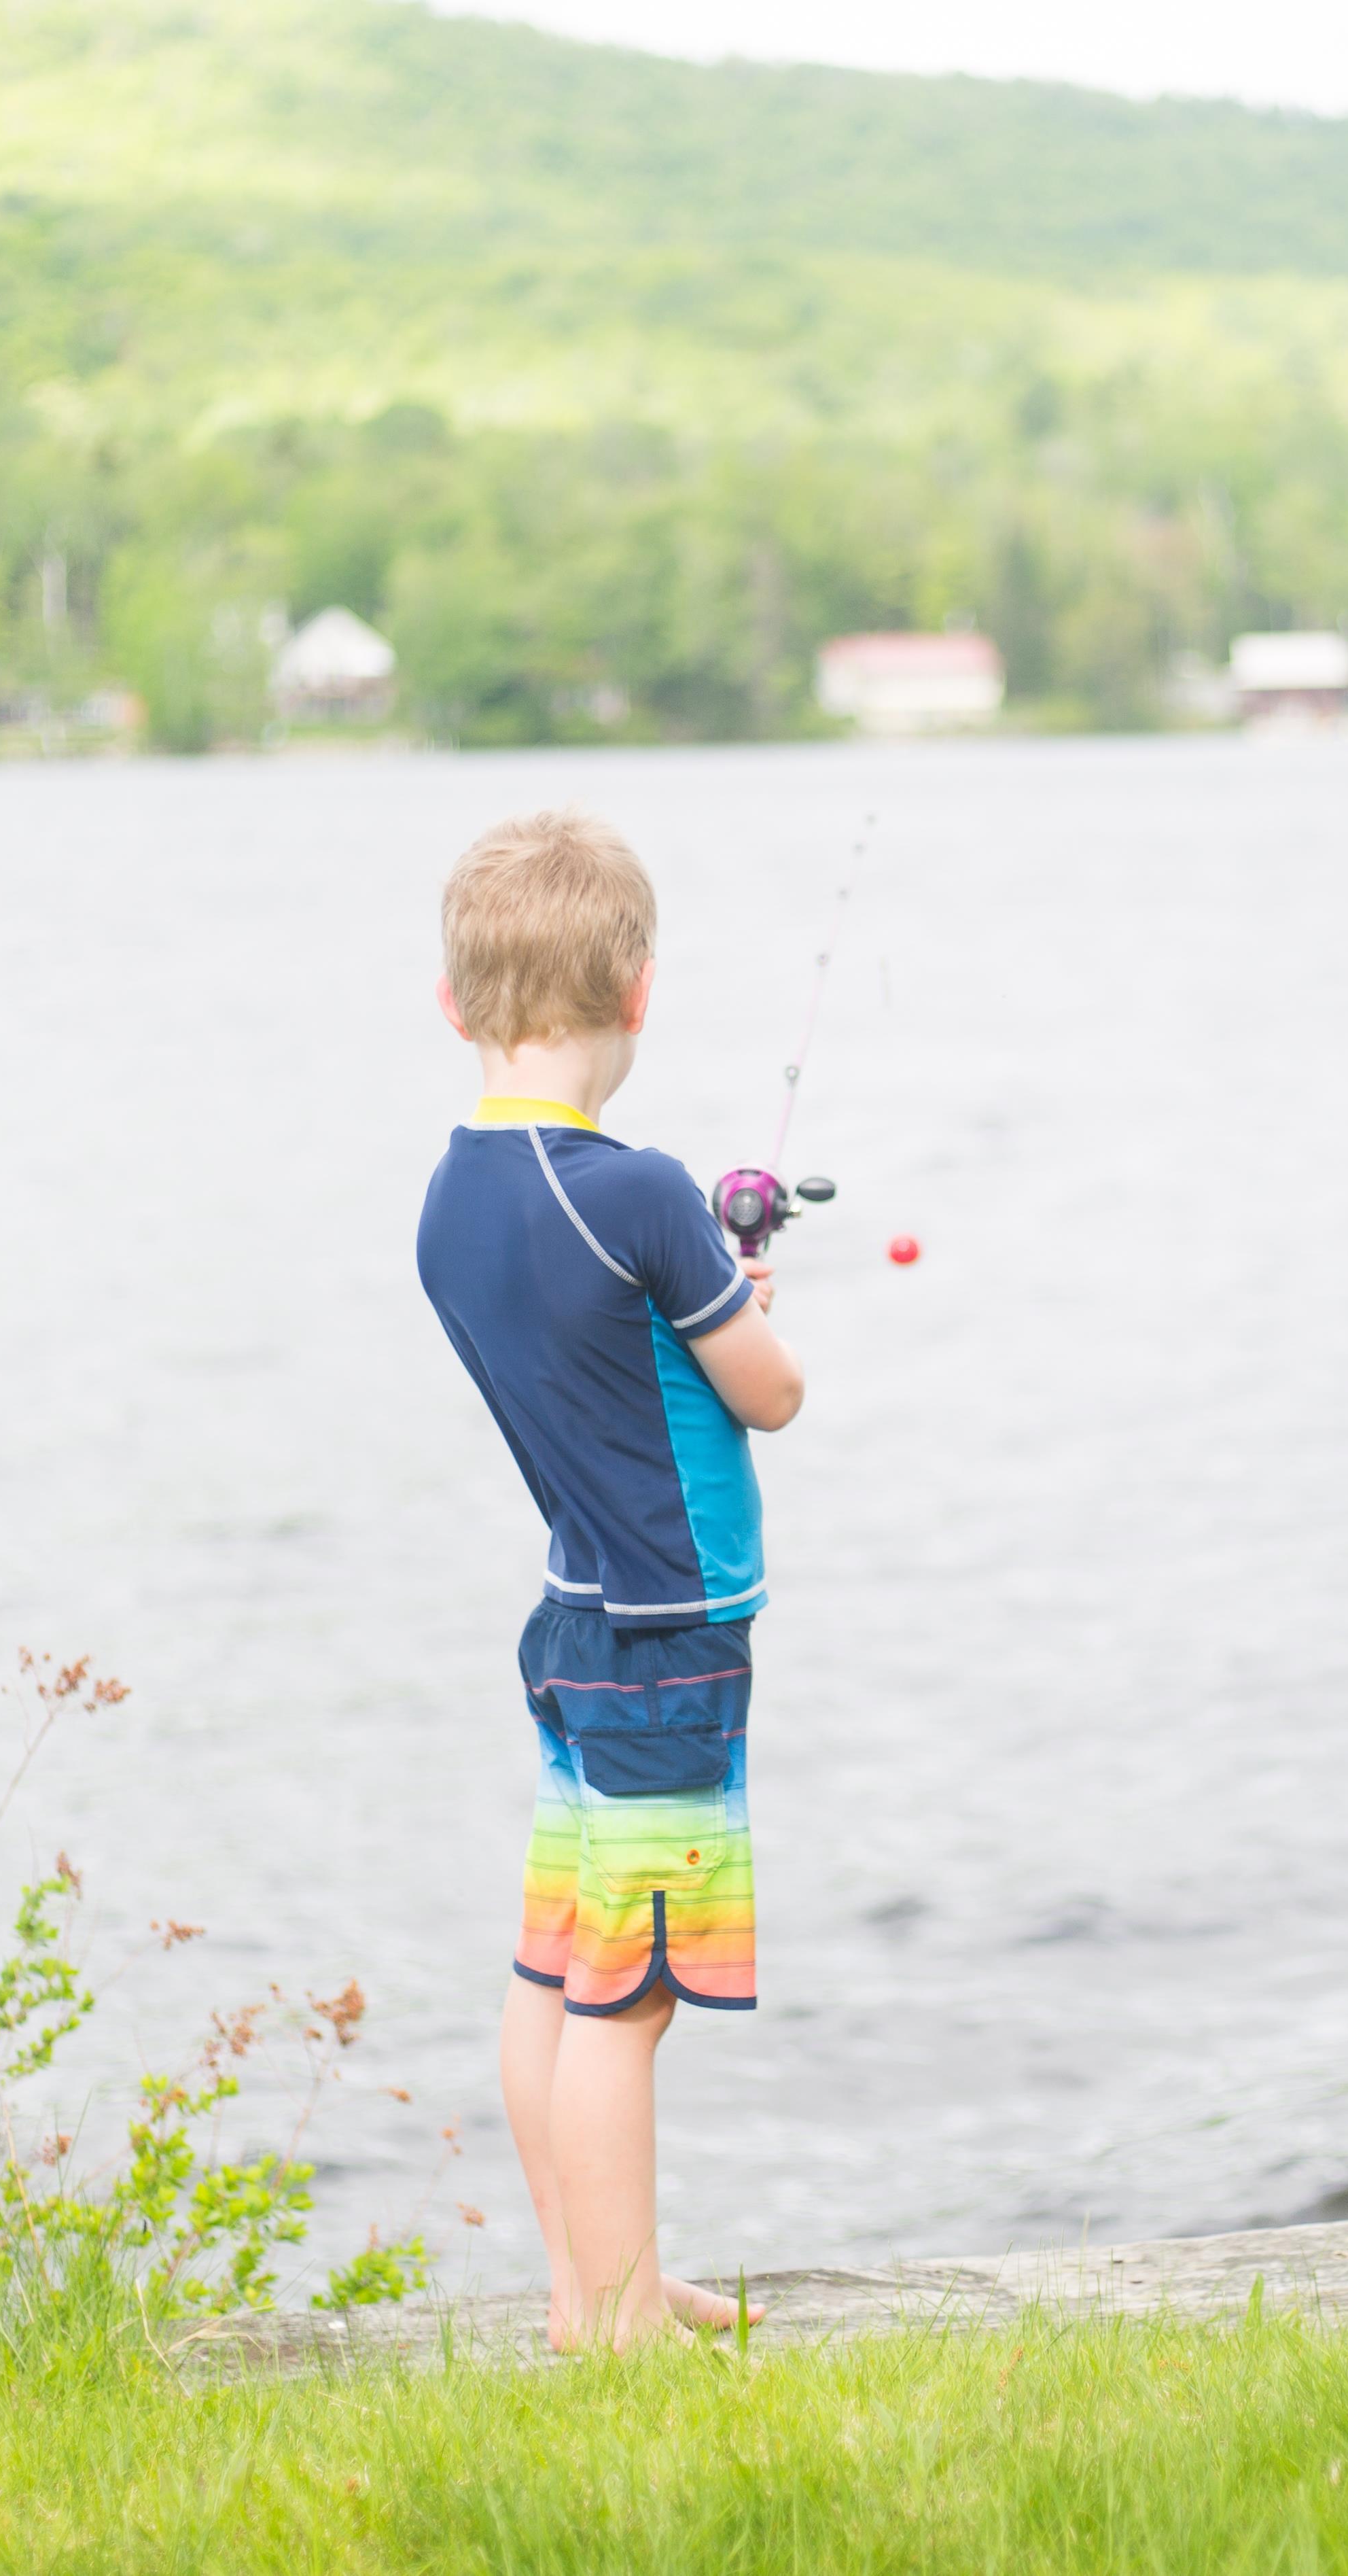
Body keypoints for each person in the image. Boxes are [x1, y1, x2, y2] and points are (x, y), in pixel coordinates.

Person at [412, 807, 806, 2354]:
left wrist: (695, 1294)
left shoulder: (450, 1193)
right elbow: (766, 1393)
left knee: (552, 1965)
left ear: (455, 1005)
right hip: (668, 1643)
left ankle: (591, 2279)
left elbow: (596, 1342)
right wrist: (727, 1298)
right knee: (626, 1999)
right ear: (640, 992)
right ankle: (618, 2318)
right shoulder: (644, 1190)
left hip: (573, 1621)